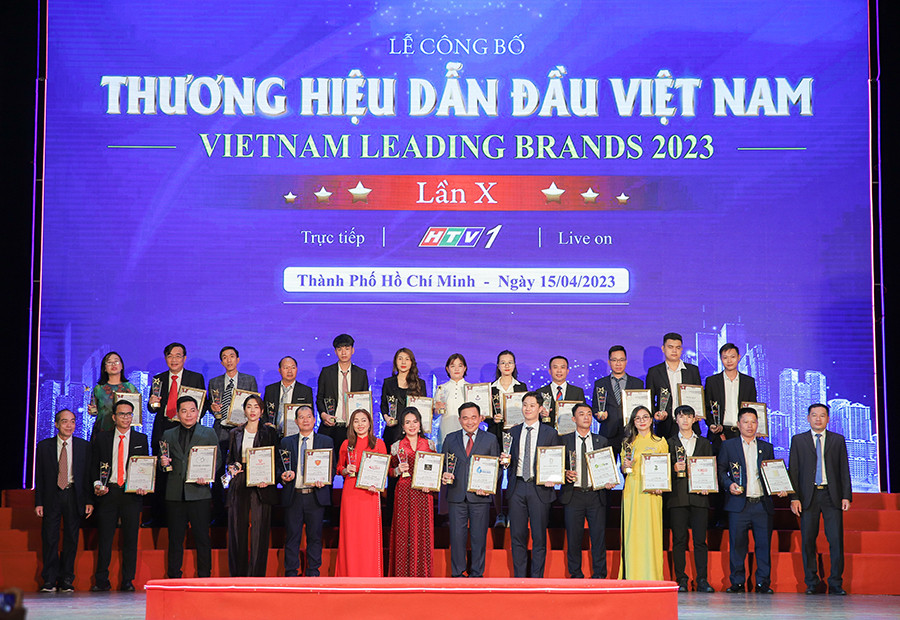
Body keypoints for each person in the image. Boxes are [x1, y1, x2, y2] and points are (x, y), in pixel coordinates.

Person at [717, 407, 787, 593]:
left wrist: (779, 487)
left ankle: (763, 582)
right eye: (746, 422)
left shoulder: (767, 447)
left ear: (758, 424)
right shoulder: (728, 446)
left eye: (753, 422)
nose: (750, 426)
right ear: (738, 424)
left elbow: (773, 472)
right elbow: (721, 470)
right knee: (737, 545)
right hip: (738, 504)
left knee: (763, 546)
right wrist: (729, 484)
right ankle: (737, 582)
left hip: (761, 505)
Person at [788, 403, 852, 595]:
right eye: (814, 415)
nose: (818, 419)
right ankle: (812, 582)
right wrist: (794, 497)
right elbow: (794, 470)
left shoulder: (837, 440)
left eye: (822, 415)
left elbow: (844, 469)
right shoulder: (798, 440)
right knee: (808, 540)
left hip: (832, 496)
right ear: (808, 418)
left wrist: (846, 496)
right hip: (808, 496)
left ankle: (836, 583)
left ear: (828, 419)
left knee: (836, 540)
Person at [89, 400, 149, 592]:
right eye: (122, 414)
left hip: (131, 494)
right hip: (109, 492)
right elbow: (94, 465)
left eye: (129, 414)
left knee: (131, 539)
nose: (126, 417)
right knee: (105, 538)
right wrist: (97, 484)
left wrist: (143, 485)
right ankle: (101, 580)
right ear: (114, 417)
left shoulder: (141, 439)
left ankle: (128, 581)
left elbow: (145, 467)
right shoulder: (102, 438)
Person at [146, 342, 206, 527]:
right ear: (166, 358)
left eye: (178, 356)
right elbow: (152, 408)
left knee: (185, 470)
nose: (174, 359)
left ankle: (187, 517)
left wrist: (189, 418)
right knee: (162, 472)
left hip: (186, 429)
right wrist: (152, 402)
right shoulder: (158, 379)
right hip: (163, 429)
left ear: (184, 358)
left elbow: (202, 407)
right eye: (170, 356)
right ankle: (159, 517)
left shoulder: (195, 378)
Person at [34, 409, 93, 593]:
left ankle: (67, 579)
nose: (69, 425)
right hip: (52, 495)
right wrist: (39, 502)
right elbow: (40, 477)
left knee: (71, 538)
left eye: (72, 421)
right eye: (65, 421)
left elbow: (88, 476)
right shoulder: (44, 446)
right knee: (50, 537)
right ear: (56, 424)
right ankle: (49, 579)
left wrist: (89, 501)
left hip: (73, 495)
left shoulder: (84, 446)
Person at [159, 396, 218, 579]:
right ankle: (174, 576)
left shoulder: (208, 433)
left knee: (202, 538)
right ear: (177, 414)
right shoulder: (168, 434)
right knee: (175, 539)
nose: (188, 414)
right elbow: (163, 464)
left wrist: (207, 476)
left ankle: (204, 576)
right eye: (184, 411)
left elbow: (217, 461)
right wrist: (163, 463)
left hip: (199, 493)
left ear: (198, 412)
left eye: (192, 410)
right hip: (175, 494)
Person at [504, 391, 560, 578]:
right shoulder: (512, 432)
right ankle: (519, 579)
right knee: (517, 536)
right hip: (517, 487)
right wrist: (504, 461)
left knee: (539, 536)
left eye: (532, 405)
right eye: (525, 405)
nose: (528, 409)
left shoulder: (550, 433)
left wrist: (554, 476)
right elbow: (508, 460)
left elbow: (556, 460)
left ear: (540, 408)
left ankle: (537, 579)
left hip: (540, 488)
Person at [442, 402, 500, 578]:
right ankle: (457, 574)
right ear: (460, 420)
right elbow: (443, 465)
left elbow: (496, 469)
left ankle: (477, 574)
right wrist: (444, 475)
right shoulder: (450, 439)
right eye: (465, 418)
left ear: (480, 418)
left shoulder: (490, 439)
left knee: (478, 538)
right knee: (456, 537)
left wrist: (488, 487)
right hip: (456, 495)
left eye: (473, 417)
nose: (469, 422)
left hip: (480, 496)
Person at [225, 395, 279, 577]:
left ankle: (256, 576)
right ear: (244, 410)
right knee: (237, 529)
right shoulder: (235, 433)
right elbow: (230, 459)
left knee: (259, 530)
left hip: (261, 483)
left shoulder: (269, 432)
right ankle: (238, 575)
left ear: (262, 411)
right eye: (249, 406)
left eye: (256, 406)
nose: (253, 410)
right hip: (240, 481)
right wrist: (232, 468)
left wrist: (268, 478)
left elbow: (275, 459)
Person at [560, 402, 614, 579]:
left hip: (595, 495)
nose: (586, 417)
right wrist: (564, 473)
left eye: (589, 414)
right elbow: (556, 466)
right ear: (574, 419)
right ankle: (575, 574)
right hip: (573, 494)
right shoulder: (564, 440)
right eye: (582, 414)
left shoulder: (601, 441)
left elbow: (607, 467)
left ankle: (600, 574)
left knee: (598, 537)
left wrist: (609, 480)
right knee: (574, 538)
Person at [278, 405, 334, 577]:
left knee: (315, 537)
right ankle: (291, 573)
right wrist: (283, 476)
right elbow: (279, 468)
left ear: (314, 419)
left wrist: (324, 479)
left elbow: (331, 468)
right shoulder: (286, 442)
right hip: (294, 495)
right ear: (296, 421)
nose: (305, 420)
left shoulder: (325, 441)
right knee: (292, 536)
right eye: (301, 417)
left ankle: (313, 572)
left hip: (315, 496)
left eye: (308, 416)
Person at [208, 346, 259, 525]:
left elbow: (255, 404)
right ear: (221, 362)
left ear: (238, 359)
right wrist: (212, 408)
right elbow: (211, 406)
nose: (228, 360)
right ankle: (220, 512)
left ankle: (243, 509)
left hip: (243, 431)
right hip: (221, 430)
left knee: (243, 469)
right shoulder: (214, 382)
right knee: (218, 471)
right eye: (225, 357)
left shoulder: (249, 380)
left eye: (232, 356)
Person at [666, 405, 715, 592]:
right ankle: (681, 579)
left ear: (694, 419)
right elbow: (662, 470)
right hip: (677, 498)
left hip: (699, 497)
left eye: (688, 416)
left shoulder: (704, 443)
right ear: (676, 420)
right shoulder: (669, 443)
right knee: (679, 540)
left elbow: (710, 468)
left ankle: (702, 579)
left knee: (700, 540)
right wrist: (673, 468)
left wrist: (708, 484)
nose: (685, 420)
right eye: (681, 416)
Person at [335, 408, 387, 577]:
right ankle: (349, 574)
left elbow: (384, 470)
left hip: (370, 493)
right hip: (351, 493)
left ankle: (370, 574)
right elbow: (339, 468)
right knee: (351, 535)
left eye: (363, 420)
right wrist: (345, 470)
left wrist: (376, 484)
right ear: (352, 424)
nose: (360, 424)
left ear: (370, 423)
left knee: (368, 535)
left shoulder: (379, 444)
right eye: (356, 421)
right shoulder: (346, 444)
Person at [618, 405, 667, 580]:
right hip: (632, 492)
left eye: (645, 417)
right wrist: (624, 466)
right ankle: (632, 575)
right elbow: (624, 469)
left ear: (651, 420)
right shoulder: (628, 443)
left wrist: (662, 485)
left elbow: (665, 469)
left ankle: (652, 575)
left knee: (651, 533)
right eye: (637, 418)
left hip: (652, 494)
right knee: (633, 533)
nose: (642, 421)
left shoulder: (660, 442)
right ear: (633, 422)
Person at [388, 407, 436, 577]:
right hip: (404, 492)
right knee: (403, 532)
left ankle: (423, 574)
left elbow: (435, 469)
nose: (412, 425)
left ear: (420, 424)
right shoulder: (396, 446)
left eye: (415, 421)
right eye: (407, 422)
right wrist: (397, 471)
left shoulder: (429, 444)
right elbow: (389, 471)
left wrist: (430, 484)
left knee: (423, 532)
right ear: (402, 426)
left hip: (424, 492)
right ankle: (402, 575)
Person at [486, 350, 527, 527]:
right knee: (496, 476)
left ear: (514, 365)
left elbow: (527, 411)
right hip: (495, 435)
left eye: (510, 362)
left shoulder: (521, 387)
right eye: (503, 362)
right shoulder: (490, 388)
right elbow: (483, 413)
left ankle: (512, 513)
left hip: (515, 435)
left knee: (513, 475)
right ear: (498, 366)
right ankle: (499, 514)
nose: (506, 366)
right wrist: (491, 418)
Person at [317, 334, 369, 463]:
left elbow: (364, 401)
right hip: (331, 426)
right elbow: (320, 398)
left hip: (352, 428)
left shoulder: (361, 374)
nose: (343, 352)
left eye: (347, 348)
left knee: (351, 464)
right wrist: (323, 415)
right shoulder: (326, 372)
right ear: (335, 352)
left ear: (353, 350)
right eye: (340, 349)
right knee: (328, 464)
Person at [645, 333, 702, 438]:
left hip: (689, 425)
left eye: (678, 347)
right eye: (670, 347)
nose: (674, 351)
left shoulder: (692, 370)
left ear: (681, 350)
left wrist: (699, 412)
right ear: (663, 349)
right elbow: (649, 400)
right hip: (665, 425)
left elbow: (698, 395)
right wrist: (656, 415)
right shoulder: (654, 372)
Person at [591, 345, 643, 456]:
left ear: (626, 361)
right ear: (609, 362)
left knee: (631, 466)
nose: (618, 363)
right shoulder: (600, 384)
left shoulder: (637, 383)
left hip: (631, 434)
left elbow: (642, 408)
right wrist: (599, 416)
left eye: (621, 360)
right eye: (614, 360)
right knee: (608, 466)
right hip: (607, 434)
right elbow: (595, 407)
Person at [705, 343, 757, 446]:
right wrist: (711, 424)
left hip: (742, 433)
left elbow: (753, 408)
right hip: (720, 434)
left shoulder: (748, 382)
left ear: (739, 357)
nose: (729, 361)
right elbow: (706, 407)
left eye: (732, 357)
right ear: (721, 359)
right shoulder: (712, 381)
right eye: (725, 358)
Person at [380, 348, 427, 452]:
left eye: (407, 359)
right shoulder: (388, 383)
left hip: (413, 432)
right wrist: (386, 418)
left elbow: (424, 408)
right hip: (393, 431)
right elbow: (383, 405)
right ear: (395, 362)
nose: (403, 362)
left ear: (412, 362)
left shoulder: (420, 384)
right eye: (400, 359)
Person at [88, 351, 139, 434]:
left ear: (122, 366)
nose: (113, 364)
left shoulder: (130, 388)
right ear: (104, 368)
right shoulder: (98, 389)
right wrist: (92, 411)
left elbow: (136, 412)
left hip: (125, 432)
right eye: (109, 362)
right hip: (103, 431)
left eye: (116, 361)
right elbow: (94, 411)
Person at [262, 355, 314, 431]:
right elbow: (264, 411)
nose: (290, 371)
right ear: (279, 370)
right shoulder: (270, 389)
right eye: (286, 368)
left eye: (293, 368)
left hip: (295, 432)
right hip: (272, 431)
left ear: (297, 369)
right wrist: (266, 424)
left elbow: (310, 414)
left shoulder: (305, 390)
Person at [537, 355, 585, 428]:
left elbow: (582, 413)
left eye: (562, 367)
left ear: (567, 371)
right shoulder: (540, 392)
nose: (559, 371)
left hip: (571, 432)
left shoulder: (578, 392)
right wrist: (540, 414)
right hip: (547, 431)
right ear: (549, 371)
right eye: (555, 367)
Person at [434, 353, 469, 450]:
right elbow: (434, 416)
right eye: (453, 366)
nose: (456, 369)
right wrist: (437, 410)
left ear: (465, 368)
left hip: (466, 430)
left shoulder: (471, 389)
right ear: (447, 369)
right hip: (446, 429)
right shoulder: (441, 388)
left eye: (460, 366)